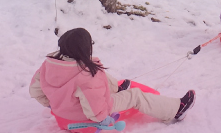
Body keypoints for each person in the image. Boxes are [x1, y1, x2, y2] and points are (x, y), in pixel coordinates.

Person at [30, 28, 196, 124]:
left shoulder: (49, 65)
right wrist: (104, 108)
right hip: (82, 120)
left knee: (97, 72)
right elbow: (97, 114)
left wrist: (56, 106)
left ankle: (115, 88)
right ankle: (177, 109)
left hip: (63, 116)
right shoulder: (86, 76)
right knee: (135, 95)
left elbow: (35, 91)